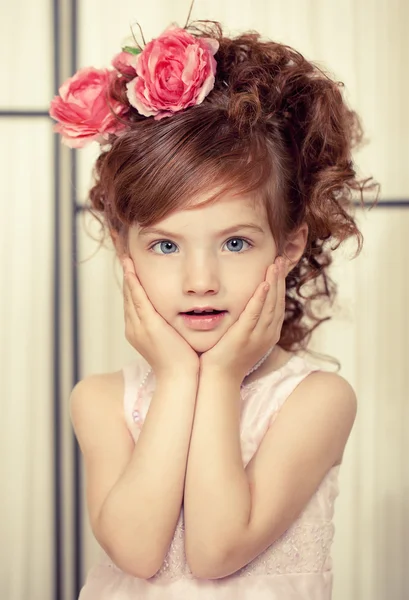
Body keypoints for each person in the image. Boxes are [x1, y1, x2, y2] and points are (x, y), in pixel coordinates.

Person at [50, 16, 376, 600]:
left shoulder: (316, 400)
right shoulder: (100, 401)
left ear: (290, 245)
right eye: (166, 245)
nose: (201, 281)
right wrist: (177, 376)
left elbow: (216, 550)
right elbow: (136, 550)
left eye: (235, 243)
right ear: (125, 250)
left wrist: (220, 375)